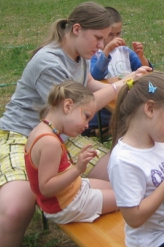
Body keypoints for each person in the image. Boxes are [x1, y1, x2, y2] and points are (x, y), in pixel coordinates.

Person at [0, 1, 149, 247]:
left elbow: (90, 84)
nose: (100, 46)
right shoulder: (48, 62)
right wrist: (123, 84)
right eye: (98, 38)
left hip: (62, 135)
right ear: (76, 29)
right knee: (16, 209)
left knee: (124, 169)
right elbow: (84, 109)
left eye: (105, 39)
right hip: (23, 137)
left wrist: (130, 81)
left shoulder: (78, 55)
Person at [108, 72, 164, 247]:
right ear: (150, 109)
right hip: (154, 245)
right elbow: (134, 218)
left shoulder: (156, 143)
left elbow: (154, 177)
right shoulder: (124, 161)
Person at [25, 81, 117, 224]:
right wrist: (77, 169)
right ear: (68, 106)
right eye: (86, 116)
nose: (87, 125)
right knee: (126, 198)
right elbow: (46, 188)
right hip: (66, 205)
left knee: (119, 188)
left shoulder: (41, 129)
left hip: (69, 192)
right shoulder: (50, 142)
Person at [86, 6, 153, 136]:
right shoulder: (94, 54)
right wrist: (106, 52)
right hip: (106, 103)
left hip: (126, 97)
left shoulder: (125, 52)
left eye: (118, 34)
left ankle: (117, 127)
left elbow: (147, 71)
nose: (115, 38)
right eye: (110, 34)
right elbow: (95, 76)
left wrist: (141, 56)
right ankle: (111, 127)